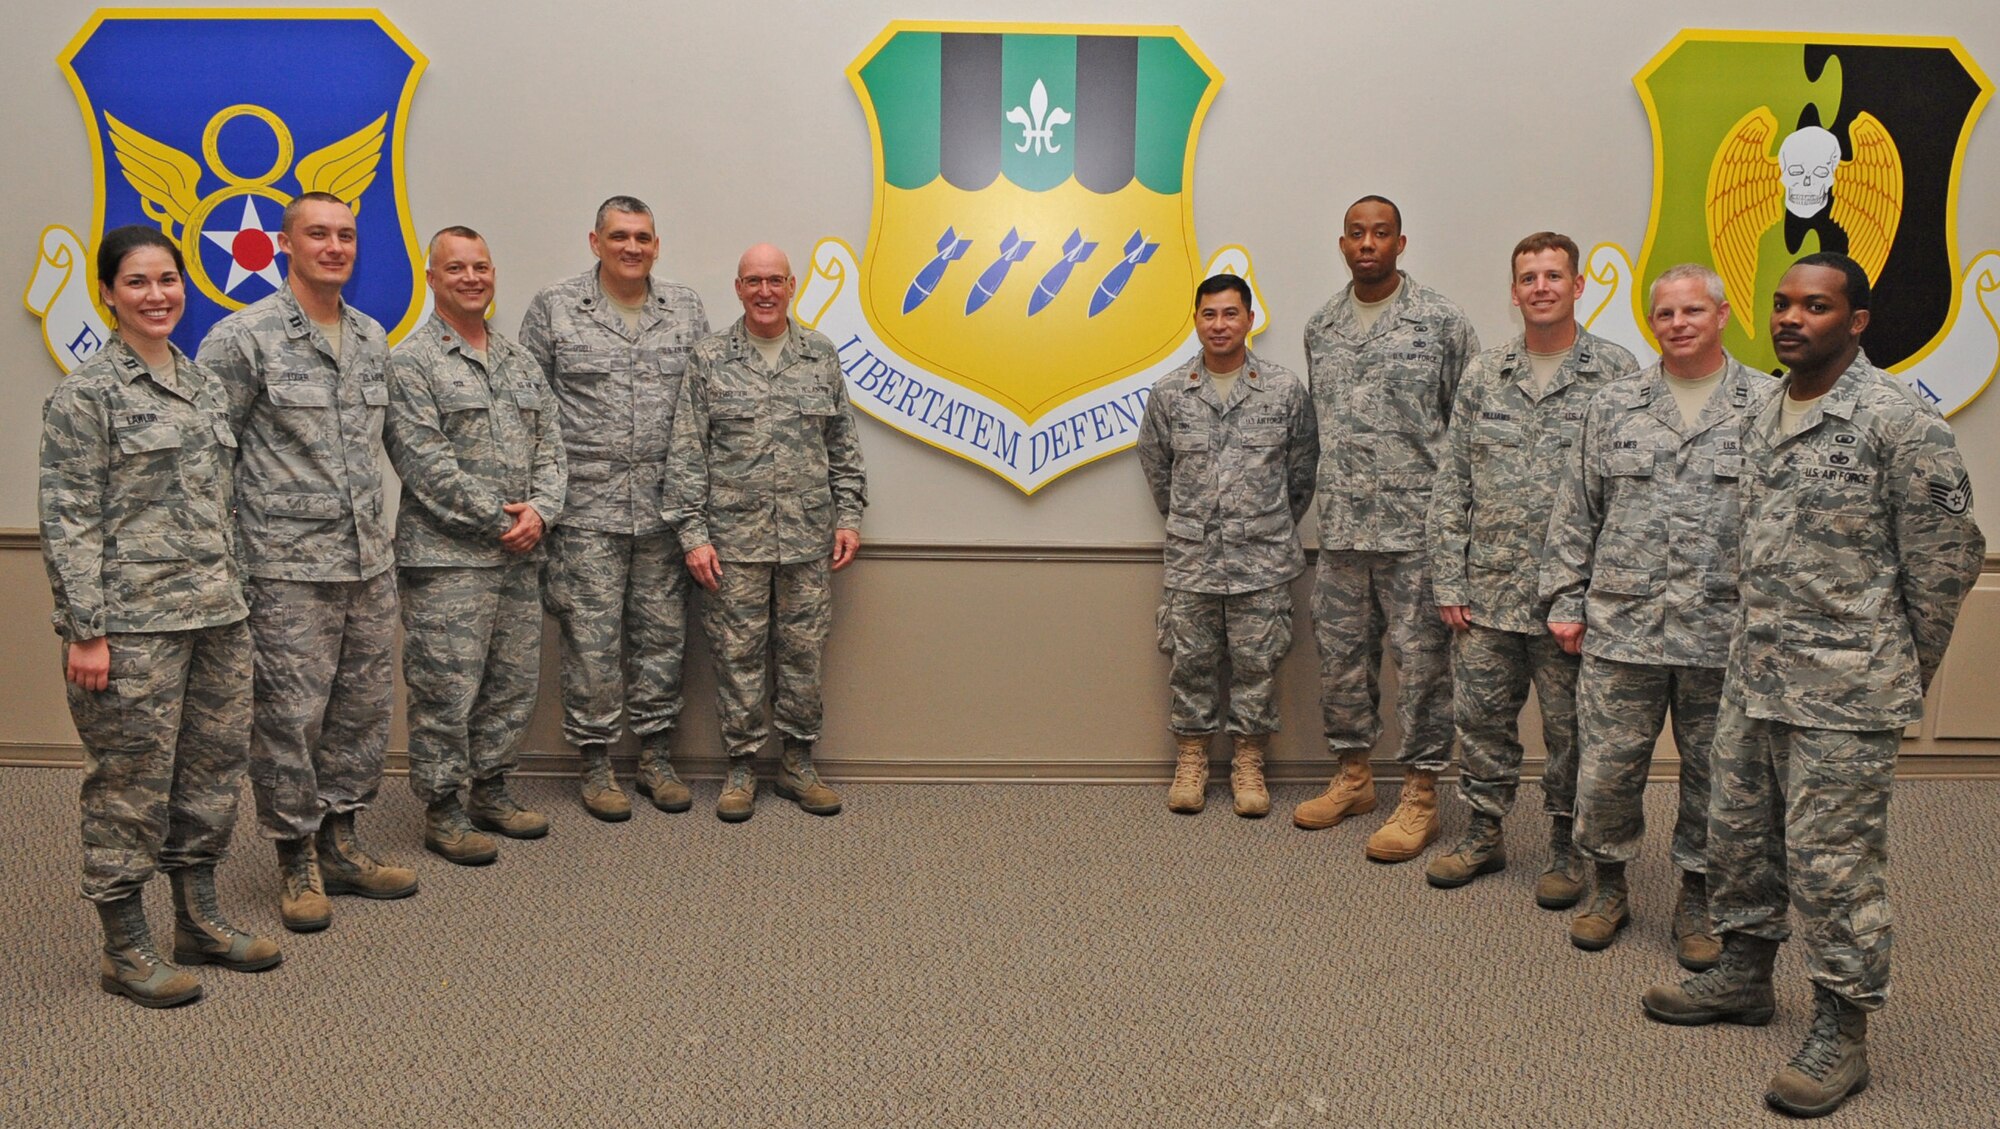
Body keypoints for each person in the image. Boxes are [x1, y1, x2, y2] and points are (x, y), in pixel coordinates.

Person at [1641, 254, 1984, 1120]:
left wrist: (1895, 672)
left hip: (1846, 692)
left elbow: (1947, 561)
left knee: (1835, 869)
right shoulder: (1762, 410)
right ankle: (1746, 972)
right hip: (1755, 675)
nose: (1792, 318)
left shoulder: (1896, 421)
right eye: (1784, 304)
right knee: (1738, 836)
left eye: (1817, 306)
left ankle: (1843, 1026)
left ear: (1857, 320)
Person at [40, 225, 282, 1006]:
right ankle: (124, 945)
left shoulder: (205, 384)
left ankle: (198, 919)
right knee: (129, 786)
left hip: (216, 616)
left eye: (168, 280)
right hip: (132, 629)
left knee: (210, 776)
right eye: (138, 282)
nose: (157, 295)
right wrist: (86, 629)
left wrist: (239, 598)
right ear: (108, 293)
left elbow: (224, 503)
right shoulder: (87, 395)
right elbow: (69, 517)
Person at [1541, 264, 1777, 960]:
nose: (1677, 324)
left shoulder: (1766, 404)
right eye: (1665, 314)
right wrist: (1564, 598)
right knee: (1608, 770)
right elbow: (1574, 509)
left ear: (1723, 314)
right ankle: (1608, 884)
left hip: (1722, 632)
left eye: (1691, 311)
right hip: (1624, 627)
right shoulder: (1614, 404)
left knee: (1717, 773)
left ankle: (1698, 897)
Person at [198, 192, 417, 932]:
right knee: (289, 719)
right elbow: (207, 461)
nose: (334, 246)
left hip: (365, 563)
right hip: (284, 569)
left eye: (346, 235)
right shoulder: (244, 338)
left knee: (360, 714)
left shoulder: (370, 336)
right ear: (285, 244)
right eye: (318, 234)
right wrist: (228, 567)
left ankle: (341, 841)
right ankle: (295, 859)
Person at [1426, 231, 1640, 901]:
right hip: (1487, 591)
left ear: (1579, 286)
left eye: (1554, 275)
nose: (1541, 286)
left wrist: (1600, 593)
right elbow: (1451, 482)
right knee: (1482, 720)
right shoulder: (1485, 373)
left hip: (1569, 603)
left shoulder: (1617, 374)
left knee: (1572, 731)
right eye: (1529, 276)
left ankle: (1565, 846)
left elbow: (1630, 493)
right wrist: (1449, 578)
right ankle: (1485, 833)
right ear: (1514, 291)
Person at [1292, 196, 1479, 859]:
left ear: (1402, 242)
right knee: (1342, 666)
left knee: (1423, 670)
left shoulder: (1442, 323)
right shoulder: (1321, 326)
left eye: (1381, 233)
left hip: (1417, 538)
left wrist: (1462, 536)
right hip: (1343, 532)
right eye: (1355, 233)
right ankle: (1354, 777)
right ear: (1341, 243)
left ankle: (1421, 794)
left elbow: (1469, 436)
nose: (1367, 243)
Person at [520, 197, 710, 821]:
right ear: (595, 241)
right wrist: (539, 505)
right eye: (620, 236)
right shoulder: (554, 309)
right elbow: (529, 412)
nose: (633, 247)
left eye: (644, 237)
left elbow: (701, 411)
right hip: (584, 512)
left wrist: (696, 509)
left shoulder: (684, 309)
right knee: (592, 642)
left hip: (664, 510)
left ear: (658, 245)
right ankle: (596, 761)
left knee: (663, 639)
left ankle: (654, 757)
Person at [664, 243, 867, 822]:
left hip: (808, 541)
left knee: (802, 654)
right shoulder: (709, 359)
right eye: (753, 280)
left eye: (774, 280)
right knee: (738, 656)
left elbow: (842, 448)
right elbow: (686, 454)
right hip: (733, 544)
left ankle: (799, 763)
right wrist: (694, 536)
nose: (765, 291)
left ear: (792, 284)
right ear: (738, 287)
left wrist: (849, 516)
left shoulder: (820, 355)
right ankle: (742, 767)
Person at [385, 227, 567, 865]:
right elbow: (423, 464)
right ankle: (442, 808)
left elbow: (553, 447)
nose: (471, 278)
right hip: (446, 561)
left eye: (481, 267)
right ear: (431, 278)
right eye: (455, 268)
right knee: (445, 687)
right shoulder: (410, 364)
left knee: (512, 682)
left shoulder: (519, 362)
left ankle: (492, 788)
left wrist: (541, 510)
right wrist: (502, 519)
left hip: (519, 557)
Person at [1135, 274, 1317, 817]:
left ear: (1249, 319)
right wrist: (1195, 522)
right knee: (1189, 662)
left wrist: (1261, 524)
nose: (1220, 325)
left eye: (1230, 314)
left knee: (1257, 665)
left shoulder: (1283, 390)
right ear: (1196, 320)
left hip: (1262, 561)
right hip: (1192, 560)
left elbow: (1302, 473)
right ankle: (1190, 759)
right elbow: (1157, 469)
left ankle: (1248, 763)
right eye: (1210, 314)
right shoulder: (1170, 393)